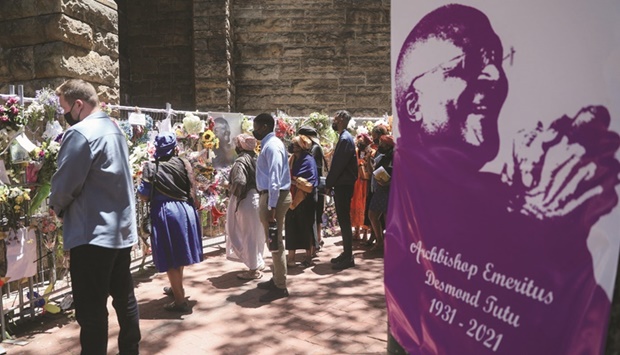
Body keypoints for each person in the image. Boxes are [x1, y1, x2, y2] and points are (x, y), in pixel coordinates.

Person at [388, 4, 620, 354]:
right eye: (466, 65)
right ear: (414, 105)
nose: (495, 76)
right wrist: (538, 225)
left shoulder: (501, 187)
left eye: (497, 59)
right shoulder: (415, 197)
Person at [49, 79, 141, 354]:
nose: (63, 116)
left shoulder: (81, 133)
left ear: (78, 105)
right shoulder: (114, 129)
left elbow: (65, 184)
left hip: (92, 235)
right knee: (124, 300)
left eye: (64, 108)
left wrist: (55, 208)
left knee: (91, 312)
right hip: (120, 232)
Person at [137, 132, 203, 312]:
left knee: (171, 256)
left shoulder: (151, 167)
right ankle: (177, 288)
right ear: (175, 148)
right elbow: (192, 187)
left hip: (167, 213)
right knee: (178, 253)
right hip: (186, 210)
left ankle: (180, 300)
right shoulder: (184, 163)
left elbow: (143, 194)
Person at [252, 113, 292, 302]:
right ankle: (277, 278)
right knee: (272, 240)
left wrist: (272, 206)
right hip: (271, 196)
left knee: (275, 242)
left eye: (257, 127)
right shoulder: (271, 144)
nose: (255, 131)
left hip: (273, 196)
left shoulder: (273, 146)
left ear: (266, 126)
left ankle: (280, 286)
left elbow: (275, 178)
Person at [225, 133, 265, 280]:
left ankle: (253, 269)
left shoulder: (241, 161)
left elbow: (240, 182)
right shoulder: (256, 159)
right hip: (258, 199)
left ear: (240, 146)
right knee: (257, 234)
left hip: (246, 200)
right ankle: (257, 262)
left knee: (248, 235)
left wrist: (233, 192)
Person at [325, 110, 358, 270]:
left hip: (343, 185)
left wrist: (328, 184)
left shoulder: (345, 139)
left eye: (336, 116)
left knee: (344, 221)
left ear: (342, 119)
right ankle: (346, 253)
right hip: (342, 184)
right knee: (343, 219)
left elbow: (338, 165)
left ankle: (348, 256)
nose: (333, 119)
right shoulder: (344, 138)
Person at [285, 135, 319, 268]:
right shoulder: (292, 159)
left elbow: (309, 182)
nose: (294, 147)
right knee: (291, 226)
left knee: (306, 226)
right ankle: (291, 258)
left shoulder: (308, 160)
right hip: (291, 196)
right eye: (293, 144)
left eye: (297, 145)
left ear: (303, 147)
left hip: (305, 198)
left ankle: (308, 256)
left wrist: (293, 180)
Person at [297, 125, 326, 253]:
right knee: (315, 215)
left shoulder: (314, 149)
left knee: (315, 215)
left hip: (313, 187)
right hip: (313, 185)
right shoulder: (315, 148)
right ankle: (317, 240)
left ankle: (315, 243)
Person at [367, 134, 394, 253]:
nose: (380, 145)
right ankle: (380, 241)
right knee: (372, 214)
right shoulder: (382, 157)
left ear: (389, 146)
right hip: (380, 190)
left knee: (388, 218)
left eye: (383, 144)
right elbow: (372, 172)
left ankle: (389, 244)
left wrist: (388, 183)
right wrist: (368, 160)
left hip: (390, 190)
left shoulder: (395, 157)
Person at [350, 133, 372, 240]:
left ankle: (364, 232)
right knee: (356, 204)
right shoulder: (356, 153)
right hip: (357, 183)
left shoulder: (371, 154)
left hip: (365, 183)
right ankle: (357, 231)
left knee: (364, 205)